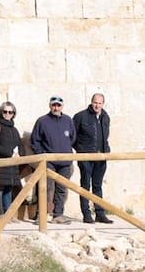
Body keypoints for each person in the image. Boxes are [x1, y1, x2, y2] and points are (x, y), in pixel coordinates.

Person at [30, 95, 75, 224]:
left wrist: (66, 150)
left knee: (62, 189)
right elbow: (35, 141)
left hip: (65, 162)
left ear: (62, 106)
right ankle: (42, 215)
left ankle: (58, 215)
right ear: (50, 106)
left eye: (58, 105)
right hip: (48, 162)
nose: (56, 108)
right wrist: (42, 155)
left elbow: (72, 138)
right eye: (54, 105)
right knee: (46, 188)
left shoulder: (68, 120)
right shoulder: (42, 121)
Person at [73, 93, 112, 224]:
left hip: (101, 156)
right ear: (91, 102)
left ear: (103, 104)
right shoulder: (80, 116)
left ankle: (100, 213)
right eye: (95, 102)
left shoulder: (105, 117)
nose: (97, 105)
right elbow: (73, 136)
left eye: (100, 103)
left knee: (98, 186)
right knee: (85, 185)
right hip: (86, 157)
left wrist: (106, 150)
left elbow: (105, 136)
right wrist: (80, 150)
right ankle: (86, 214)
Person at [0, 101, 21, 216]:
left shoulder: (14, 129)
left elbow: (20, 145)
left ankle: (7, 216)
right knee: (0, 190)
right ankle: (0, 216)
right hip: (1, 164)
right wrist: (9, 152)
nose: (7, 114)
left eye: (10, 112)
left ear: (13, 114)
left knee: (8, 189)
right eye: (5, 111)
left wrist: (19, 154)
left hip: (12, 166)